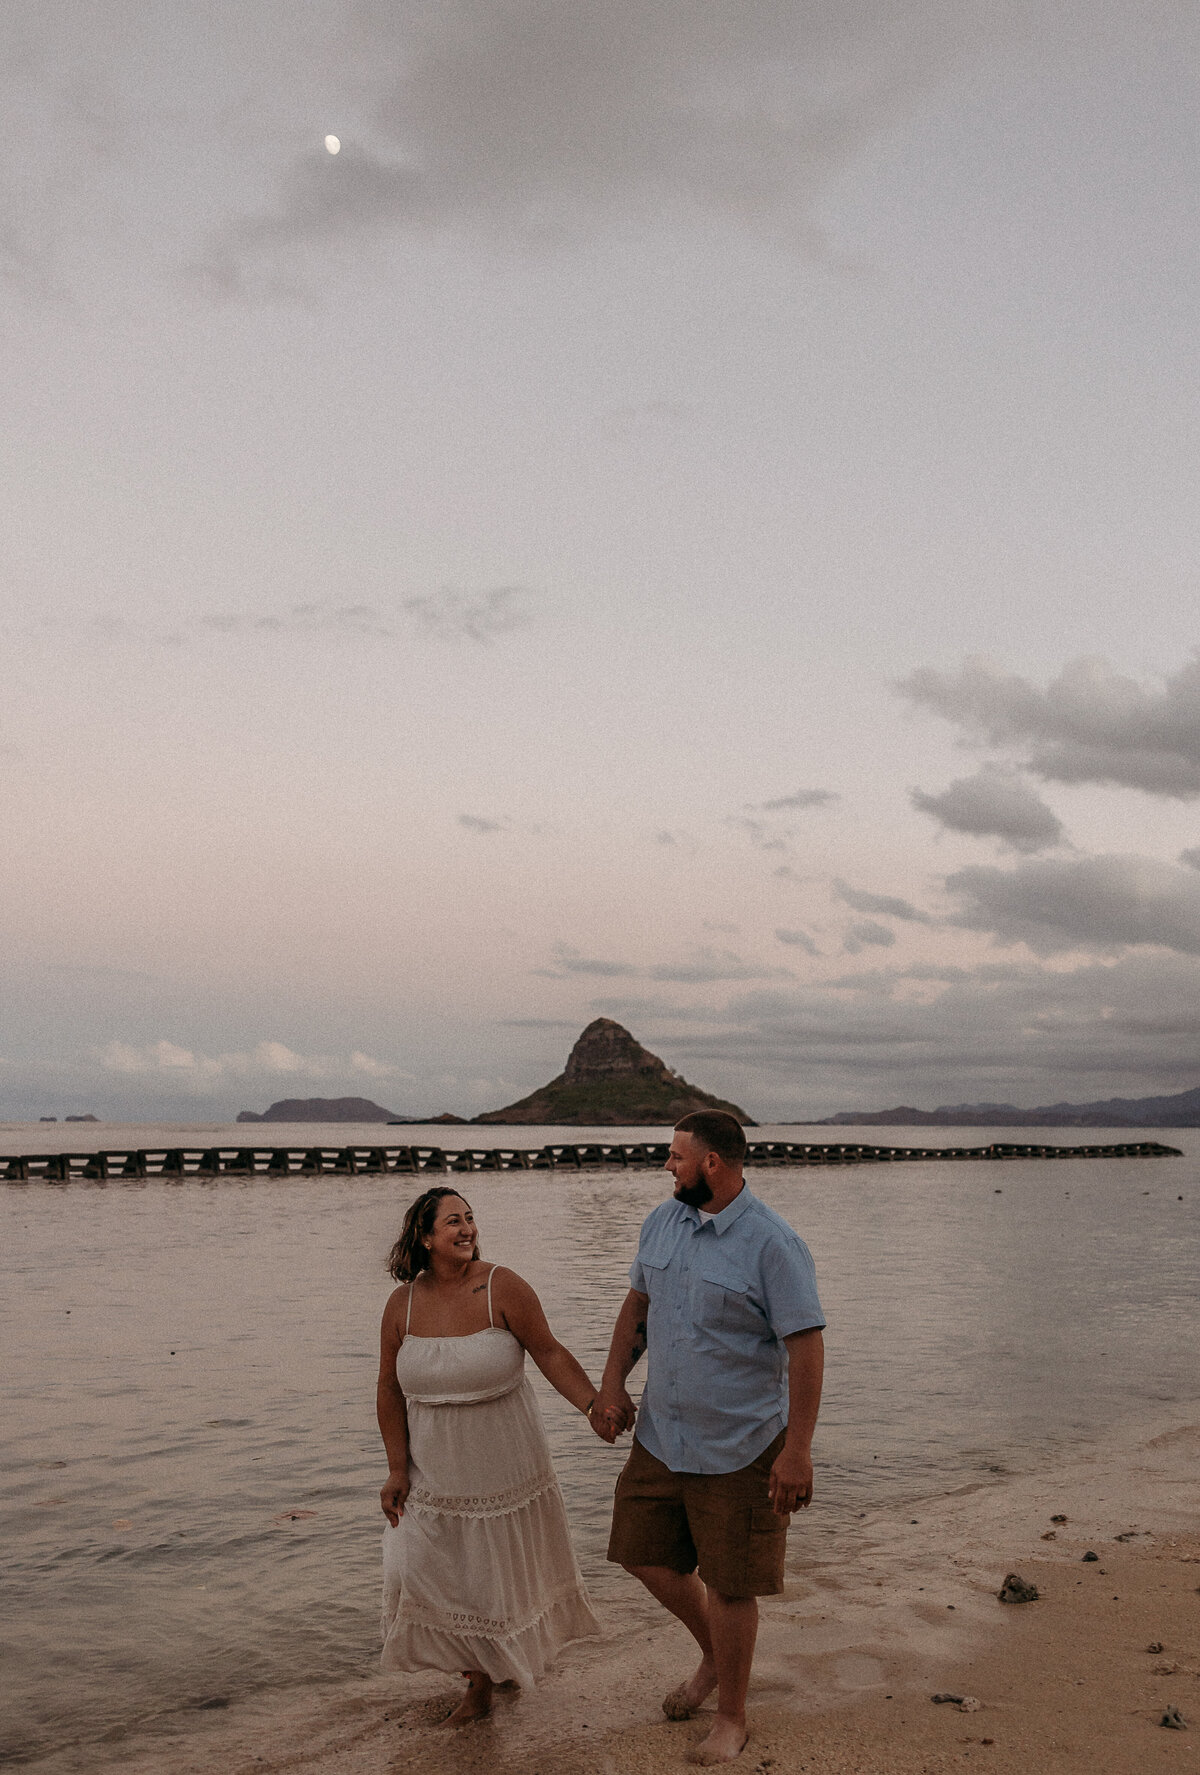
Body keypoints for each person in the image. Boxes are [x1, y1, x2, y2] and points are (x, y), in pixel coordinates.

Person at [594, 1111, 825, 1766]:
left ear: (713, 1164)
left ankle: (731, 1714)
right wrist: (612, 1385)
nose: (668, 1164)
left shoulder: (773, 1244)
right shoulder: (661, 1222)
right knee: (642, 1555)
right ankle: (713, 1656)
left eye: (676, 1155)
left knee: (730, 1583)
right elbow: (637, 1306)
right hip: (663, 1433)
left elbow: (806, 1349)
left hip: (743, 1443)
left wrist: (798, 1448)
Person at [377, 1185, 611, 1724]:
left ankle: (482, 1687)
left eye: (471, 1219)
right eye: (453, 1222)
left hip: (501, 1459)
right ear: (426, 1237)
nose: (467, 1230)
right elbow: (388, 1389)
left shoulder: (501, 1286)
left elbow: (549, 1352)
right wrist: (395, 1467)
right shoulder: (401, 1304)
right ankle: (481, 1671)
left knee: (487, 1573)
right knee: (428, 1566)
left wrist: (593, 1406)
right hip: (431, 1465)